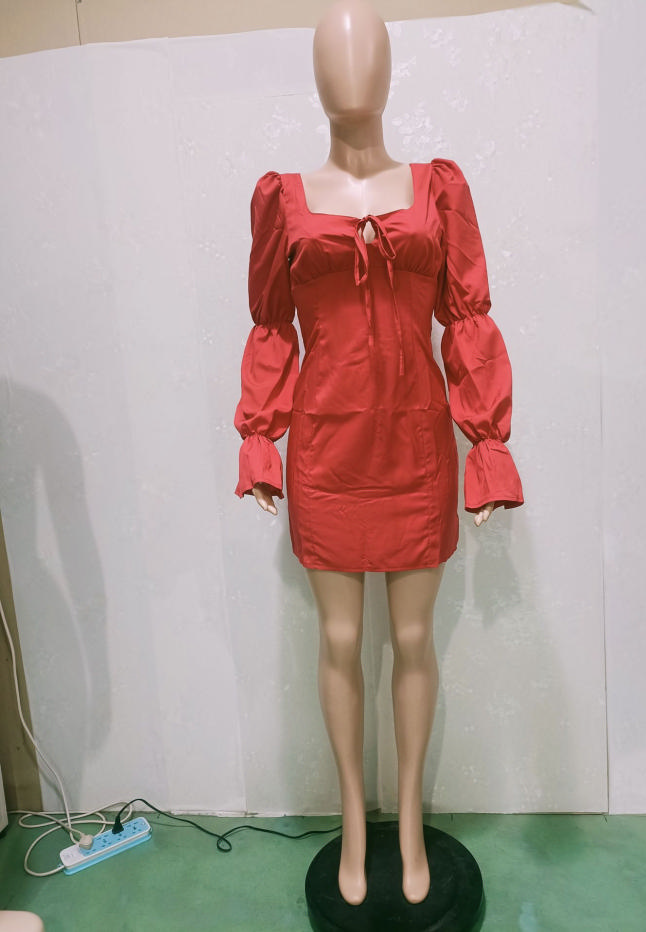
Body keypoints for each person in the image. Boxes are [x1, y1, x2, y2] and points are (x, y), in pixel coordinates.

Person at [234, 0, 523, 906]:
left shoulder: (439, 188)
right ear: (316, 74)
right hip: (326, 453)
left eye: (366, 52)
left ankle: (407, 824)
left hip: (416, 452)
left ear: (390, 70)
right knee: (340, 640)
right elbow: (271, 327)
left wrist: (487, 444)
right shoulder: (283, 198)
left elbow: (468, 320)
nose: (351, 69)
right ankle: (355, 825)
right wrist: (259, 440)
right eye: (334, 53)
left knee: (411, 640)